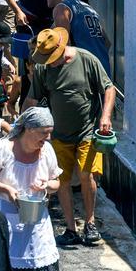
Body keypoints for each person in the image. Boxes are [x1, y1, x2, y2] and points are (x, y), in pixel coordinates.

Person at [22, 28, 116, 247]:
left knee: (86, 175)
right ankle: (71, 228)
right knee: (61, 181)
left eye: (51, 58)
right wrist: (21, 128)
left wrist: (106, 117)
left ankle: (90, 224)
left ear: (61, 47)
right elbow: (32, 100)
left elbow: (109, 88)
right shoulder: (43, 68)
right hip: (57, 134)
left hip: (87, 130)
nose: (49, 62)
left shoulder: (86, 59)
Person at [0, 107, 62, 271]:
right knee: (9, 269)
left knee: (39, 270)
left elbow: (57, 182)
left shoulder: (47, 150)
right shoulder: (3, 148)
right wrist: (7, 189)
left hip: (38, 220)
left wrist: (47, 185)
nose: (47, 138)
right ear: (28, 129)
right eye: (43, 133)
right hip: (7, 220)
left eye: (50, 133)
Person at [46, 0, 112, 77]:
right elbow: (107, 43)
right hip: (104, 71)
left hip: (85, 73)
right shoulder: (88, 8)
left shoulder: (61, 8)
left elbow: (64, 45)